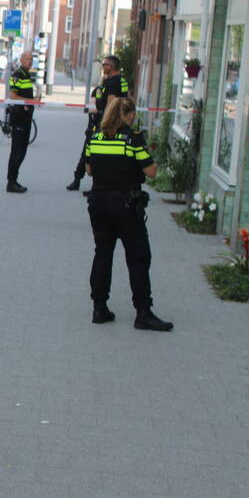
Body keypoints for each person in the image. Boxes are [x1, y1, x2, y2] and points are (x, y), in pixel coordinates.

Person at [84, 97, 173, 331]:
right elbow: (151, 172)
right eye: (132, 115)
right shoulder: (133, 140)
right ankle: (143, 312)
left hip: (98, 203)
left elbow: (89, 169)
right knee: (138, 257)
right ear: (129, 115)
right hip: (125, 205)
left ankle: (99, 308)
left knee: (103, 254)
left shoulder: (95, 137)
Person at [68, 54, 130, 193]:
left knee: (91, 151)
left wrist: (104, 123)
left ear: (111, 66)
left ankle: (84, 182)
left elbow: (110, 104)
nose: (103, 67)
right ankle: (82, 180)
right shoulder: (120, 80)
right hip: (114, 122)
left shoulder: (113, 82)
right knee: (98, 153)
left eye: (104, 64)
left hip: (105, 122)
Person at [5, 51, 36, 193]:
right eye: (28, 59)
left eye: (31, 59)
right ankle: (11, 182)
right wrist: (32, 101)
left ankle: (14, 180)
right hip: (19, 118)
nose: (30, 61)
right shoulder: (18, 74)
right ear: (22, 60)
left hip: (26, 118)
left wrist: (33, 100)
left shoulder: (26, 74)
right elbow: (13, 96)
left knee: (22, 151)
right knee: (17, 151)